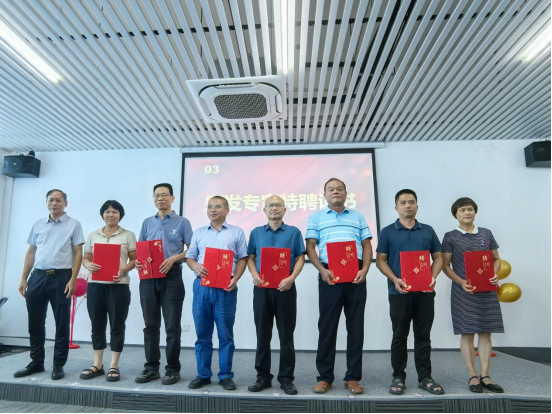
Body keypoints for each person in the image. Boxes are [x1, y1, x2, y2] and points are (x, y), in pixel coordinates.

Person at [306, 178, 373, 395]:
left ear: (346, 193)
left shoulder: (358, 216)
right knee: (327, 327)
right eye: (331, 189)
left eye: (339, 189)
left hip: (356, 275)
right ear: (324, 194)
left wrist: (365, 270)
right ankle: (324, 377)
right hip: (329, 276)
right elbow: (310, 247)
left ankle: (352, 377)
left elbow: (367, 245)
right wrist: (321, 270)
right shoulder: (316, 218)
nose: (335, 192)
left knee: (355, 328)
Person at [376, 189, 445, 396]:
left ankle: (425, 377)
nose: (408, 205)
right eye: (403, 202)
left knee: (423, 336)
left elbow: (438, 257)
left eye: (411, 202)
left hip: (425, 292)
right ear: (396, 207)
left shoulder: (428, 230)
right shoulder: (388, 231)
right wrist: (394, 279)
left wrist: (433, 276)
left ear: (417, 206)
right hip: (399, 293)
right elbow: (381, 261)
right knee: (399, 336)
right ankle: (398, 377)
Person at [15, 189, 85, 380]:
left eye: (58, 200)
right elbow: (31, 252)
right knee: (35, 322)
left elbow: (78, 253)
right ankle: (36, 362)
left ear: (65, 203)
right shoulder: (38, 224)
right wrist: (24, 278)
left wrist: (73, 279)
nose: (54, 203)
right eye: (51, 200)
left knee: (61, 322)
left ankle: (58, 364)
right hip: (37, 276)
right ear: (46, 202)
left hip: (61, 277)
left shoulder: (74, 224)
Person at [442, 197, 504, 394]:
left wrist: (494, 273)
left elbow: (496, 259)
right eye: (462, 210)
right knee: (467, 332)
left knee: (486, 332)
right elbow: (445, 265)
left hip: (486, 290)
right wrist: (461, 282)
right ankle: (473, 375)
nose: (467, 213)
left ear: (475, 212)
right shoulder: (450, 237)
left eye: (470, 209)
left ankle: (485, 375)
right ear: (456, 214)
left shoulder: (486, 233)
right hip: (464, 291)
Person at [186, 196, 248, 391]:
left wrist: (235, 279)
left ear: (227, 210)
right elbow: (190, 258)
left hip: (225, 287)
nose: (213, 210)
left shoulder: (237, 232)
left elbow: (243, 258)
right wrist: (196, 266)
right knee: (202, 333)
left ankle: (226, 375)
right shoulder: (199, 232)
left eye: (218, 206)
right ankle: (203, 374)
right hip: (202, 287)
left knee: (225, 334)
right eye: (210, 207)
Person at [135, 184, 193, 386]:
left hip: (172, 275)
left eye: (164, 195)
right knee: (150, 325)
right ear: (153, 199)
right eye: (157, 196)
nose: (160, 199)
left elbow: (192, 249)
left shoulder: (182, 222)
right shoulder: (147, 222)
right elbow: (141, 249)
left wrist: (174, 258)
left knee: (172, 326)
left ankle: (173, 369)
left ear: (172, 198)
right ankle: (151, 368)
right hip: (148, 277)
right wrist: (138, 262)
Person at [247, 196, 306, 395]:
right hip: (262, 288)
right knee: (262, 334)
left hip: (285, 288)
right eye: (270, 205)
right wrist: (254, 275)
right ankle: (263, 377)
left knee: (286, 335)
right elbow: (251, 257)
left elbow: (300, 257)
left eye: (278, 205)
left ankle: (286, 379)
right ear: (264, 210)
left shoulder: (293, 232)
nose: (274, 208)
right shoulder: (256, 232)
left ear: (284, 210)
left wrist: (292, 278)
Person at [80, 200, 137, 382]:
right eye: (107, 211)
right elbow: (86, 258)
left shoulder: (128, 235)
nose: (110, 215)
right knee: (97, 325)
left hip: (119, 286)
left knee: (117, 325)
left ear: (120, 215)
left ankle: (114, 365)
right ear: (102, 214)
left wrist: (123, 269)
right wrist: (88, 265)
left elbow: (134, 259)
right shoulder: (93, 235)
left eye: (114, 212)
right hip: (95, 285)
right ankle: (97, 364)